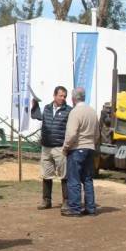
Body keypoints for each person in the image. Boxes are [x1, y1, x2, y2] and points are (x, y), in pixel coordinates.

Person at [30, 86, 72, 210]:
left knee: (64, 175)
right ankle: (46, 201)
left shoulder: (69, 110)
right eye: (61, 95)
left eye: (64, 96)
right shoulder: (47, 108)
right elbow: (36, 116)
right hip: (46, 147)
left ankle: (66, 201)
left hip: (60, 147)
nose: (63, 98)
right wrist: (34, 106)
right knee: (46, 175)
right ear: (54, 96)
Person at [61, 87, 100, 217]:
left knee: (74, 179)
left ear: (73, 99)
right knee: (88, 179)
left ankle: (75, 208)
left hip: (77, 148)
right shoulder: (92, 112)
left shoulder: (75, 112)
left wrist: (66, 147)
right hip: (90, 148)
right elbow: (97, 134)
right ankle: (90, 208)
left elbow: (71, 134)